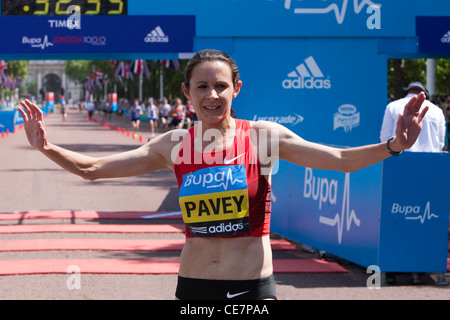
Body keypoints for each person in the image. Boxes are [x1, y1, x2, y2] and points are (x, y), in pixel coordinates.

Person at [18, 49, 428, 300]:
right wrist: (47, 147)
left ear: (236, 89)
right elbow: (93, 170)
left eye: (220, 86)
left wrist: (393, 146)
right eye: (201, 87)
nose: (211, 95)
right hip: (194, 284)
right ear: (187, 93)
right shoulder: (172, 144)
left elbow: (338, 158)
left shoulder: (264, 136)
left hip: (251, 285)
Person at [380, 82, 445, 152]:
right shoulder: (437, 111)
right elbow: (440, 143)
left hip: (398, 158)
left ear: (407, 91)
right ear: (425, 93)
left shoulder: (392, 106)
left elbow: (385, 138)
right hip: (430, 158)